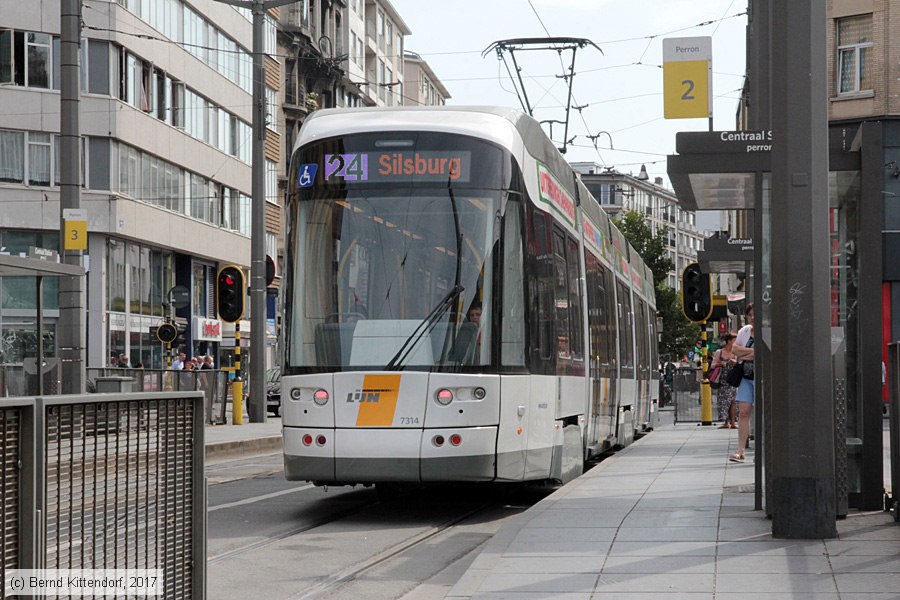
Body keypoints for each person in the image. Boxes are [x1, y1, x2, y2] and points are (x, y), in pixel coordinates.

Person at [729, 303, 755, 463]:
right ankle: (740, 450)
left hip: (762, 377)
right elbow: (735, 350)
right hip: (746, 376)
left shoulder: (768, 330)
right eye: (750, 314)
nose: (752, 317)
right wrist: (753, 353)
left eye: (755, 314)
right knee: (743, 412)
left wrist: (742, 352)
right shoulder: (744, 331)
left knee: (765, 414)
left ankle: (764, 449)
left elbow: (766, 353)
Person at [711, 332, 738, 429]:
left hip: (734, 379)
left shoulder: (737, 352)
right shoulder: (720, 352)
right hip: (723, 379)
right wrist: (722, 364)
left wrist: (735, 363)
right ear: (729, 341)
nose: (737, 342)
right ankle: (726, 422)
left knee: (734, 401)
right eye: (735, 340)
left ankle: (733, 422)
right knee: (724, 401)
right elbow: (713, 365)